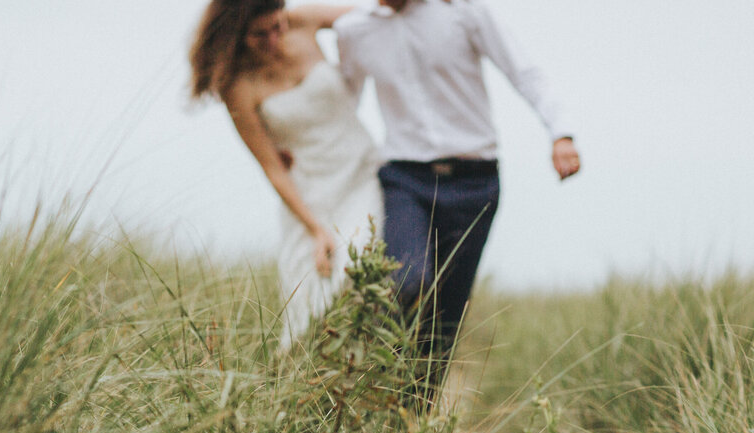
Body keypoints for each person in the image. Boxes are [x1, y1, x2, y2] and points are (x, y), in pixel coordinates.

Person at [334, 0, 581, 393]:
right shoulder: (354, 31)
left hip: (474, 184)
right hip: (404, 179)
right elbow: (343, 102)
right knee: (406, 280)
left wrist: (561, 133)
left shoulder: (463, 12)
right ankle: (371, 379)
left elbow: (524, 71)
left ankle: (410, 425)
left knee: (444, 319)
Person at [188, 1, 381, 350]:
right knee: (310, 313)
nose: (274, 38)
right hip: (308, 197)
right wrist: (315, 229)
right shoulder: (237, 85)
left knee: (359, 271)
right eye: (260, 34)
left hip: (361, 175)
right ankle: (303, 398)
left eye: (277, 26)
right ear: (236, 34)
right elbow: (272, 169)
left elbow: (375, 20)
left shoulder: (303, 19)